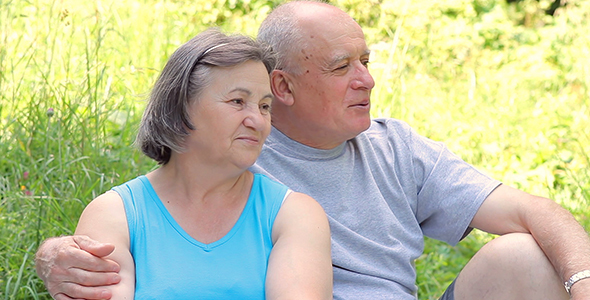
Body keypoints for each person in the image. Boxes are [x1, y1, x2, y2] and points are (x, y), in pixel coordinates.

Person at [36, 1, 590, 300]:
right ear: (284, 87)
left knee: (524, 255)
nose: (367, 81)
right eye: (340, 67)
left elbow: (532, 210)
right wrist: (56, 254)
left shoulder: (394, 148)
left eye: (366, 61)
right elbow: (152, 210)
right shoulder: (238, 150)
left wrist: (582, 282)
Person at [58, 28, 333, 300]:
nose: (258, 121)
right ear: (180, 108)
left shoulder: (294, 214)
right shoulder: (113, 215)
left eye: (264, 106)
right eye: (238, 101)